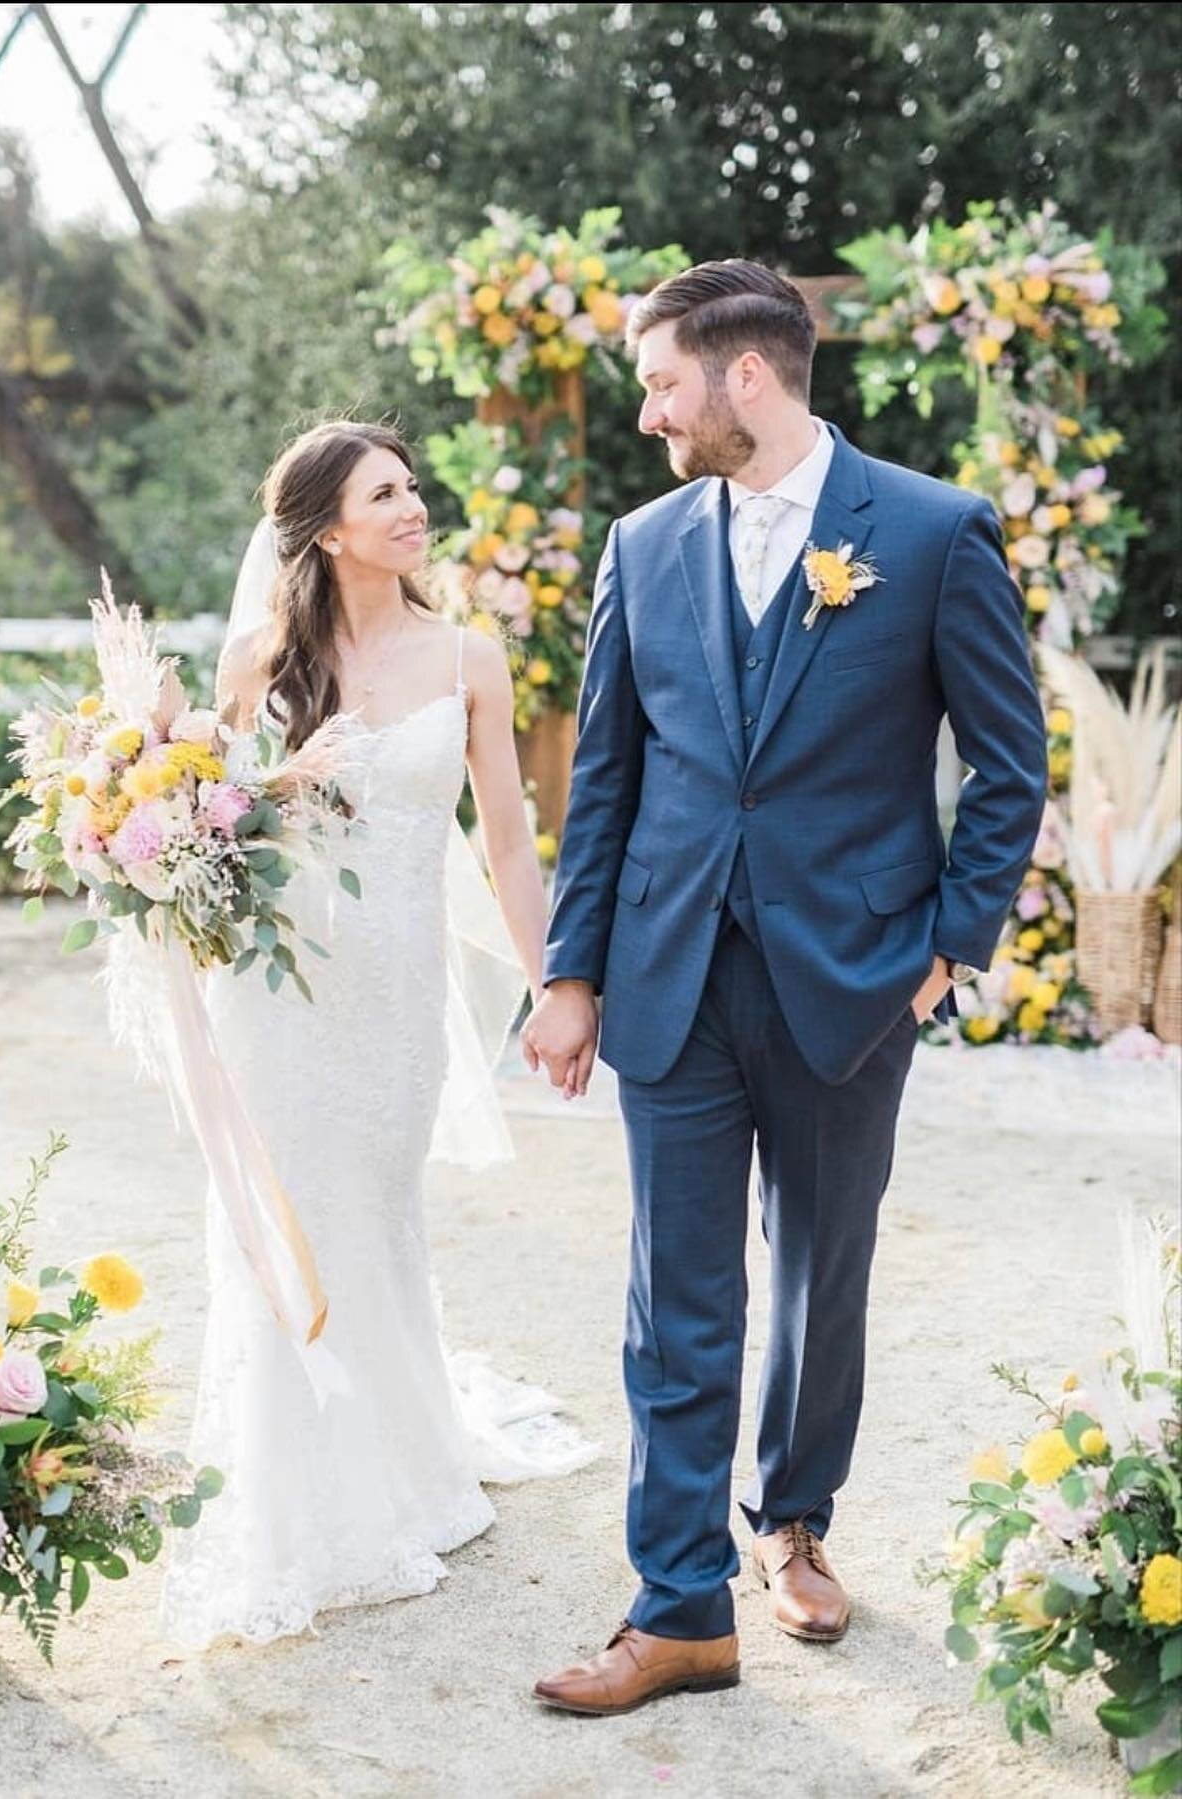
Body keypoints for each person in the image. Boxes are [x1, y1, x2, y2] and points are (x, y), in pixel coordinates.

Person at [524, 261, 1047, 1714]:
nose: (648, 413)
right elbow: (610, 774)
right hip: (670, 971)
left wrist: (950, 942)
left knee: (820, 1273)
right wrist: (572, 971)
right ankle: (677, 1604)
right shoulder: (644, 541)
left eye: (663, 383)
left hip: (854, 973)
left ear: (744, 377)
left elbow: (1010, 764)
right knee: (672, 1299)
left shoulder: (934, 533)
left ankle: (793, 1518)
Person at [159, 420, 595, 1649]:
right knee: (292, 1215)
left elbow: (507, 835)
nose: (414, 508)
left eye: (412, 487)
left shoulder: (470, 657)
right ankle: (299, 1493)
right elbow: (203, 825)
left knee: (376, 1214)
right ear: (326, 528)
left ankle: (405, 1456)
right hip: (280, 993)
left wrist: (558, 977)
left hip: (398, 994)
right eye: (384, 493)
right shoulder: (256, 663)